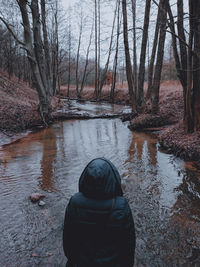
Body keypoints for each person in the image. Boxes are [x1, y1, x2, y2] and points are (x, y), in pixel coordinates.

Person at [63, 158, 136, 267]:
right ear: (112, 178)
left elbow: (68, 239)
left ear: (85, 178)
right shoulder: (121, 206)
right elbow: (128, 244)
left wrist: (74, 261)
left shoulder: (75, 202)